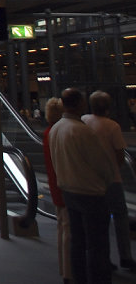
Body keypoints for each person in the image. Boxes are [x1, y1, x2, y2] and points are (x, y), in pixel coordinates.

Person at [49, 88, 117, 284]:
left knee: (77, 241)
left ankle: (78, 276)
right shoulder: (81, 130)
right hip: (90, 192)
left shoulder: (56, 128)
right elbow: (102, 164)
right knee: (97, 243)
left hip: (68, 190)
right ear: (79, 103)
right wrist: (107, 181)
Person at [82, 91, 136, 271]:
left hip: (90, 179)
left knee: (99, 219)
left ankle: (102, 257)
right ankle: (125, 256)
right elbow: (120, 154)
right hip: (112, 179)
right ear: (108, 106)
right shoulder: (112, 126)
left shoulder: (85, 121)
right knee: (120, 216)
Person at [43, 97, 72, 284]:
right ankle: (70, 270)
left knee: (63, 227)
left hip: (56, 185)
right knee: (70, 229)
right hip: (69, 186)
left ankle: (65, 268)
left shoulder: (48, 133)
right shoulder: (62, 133)